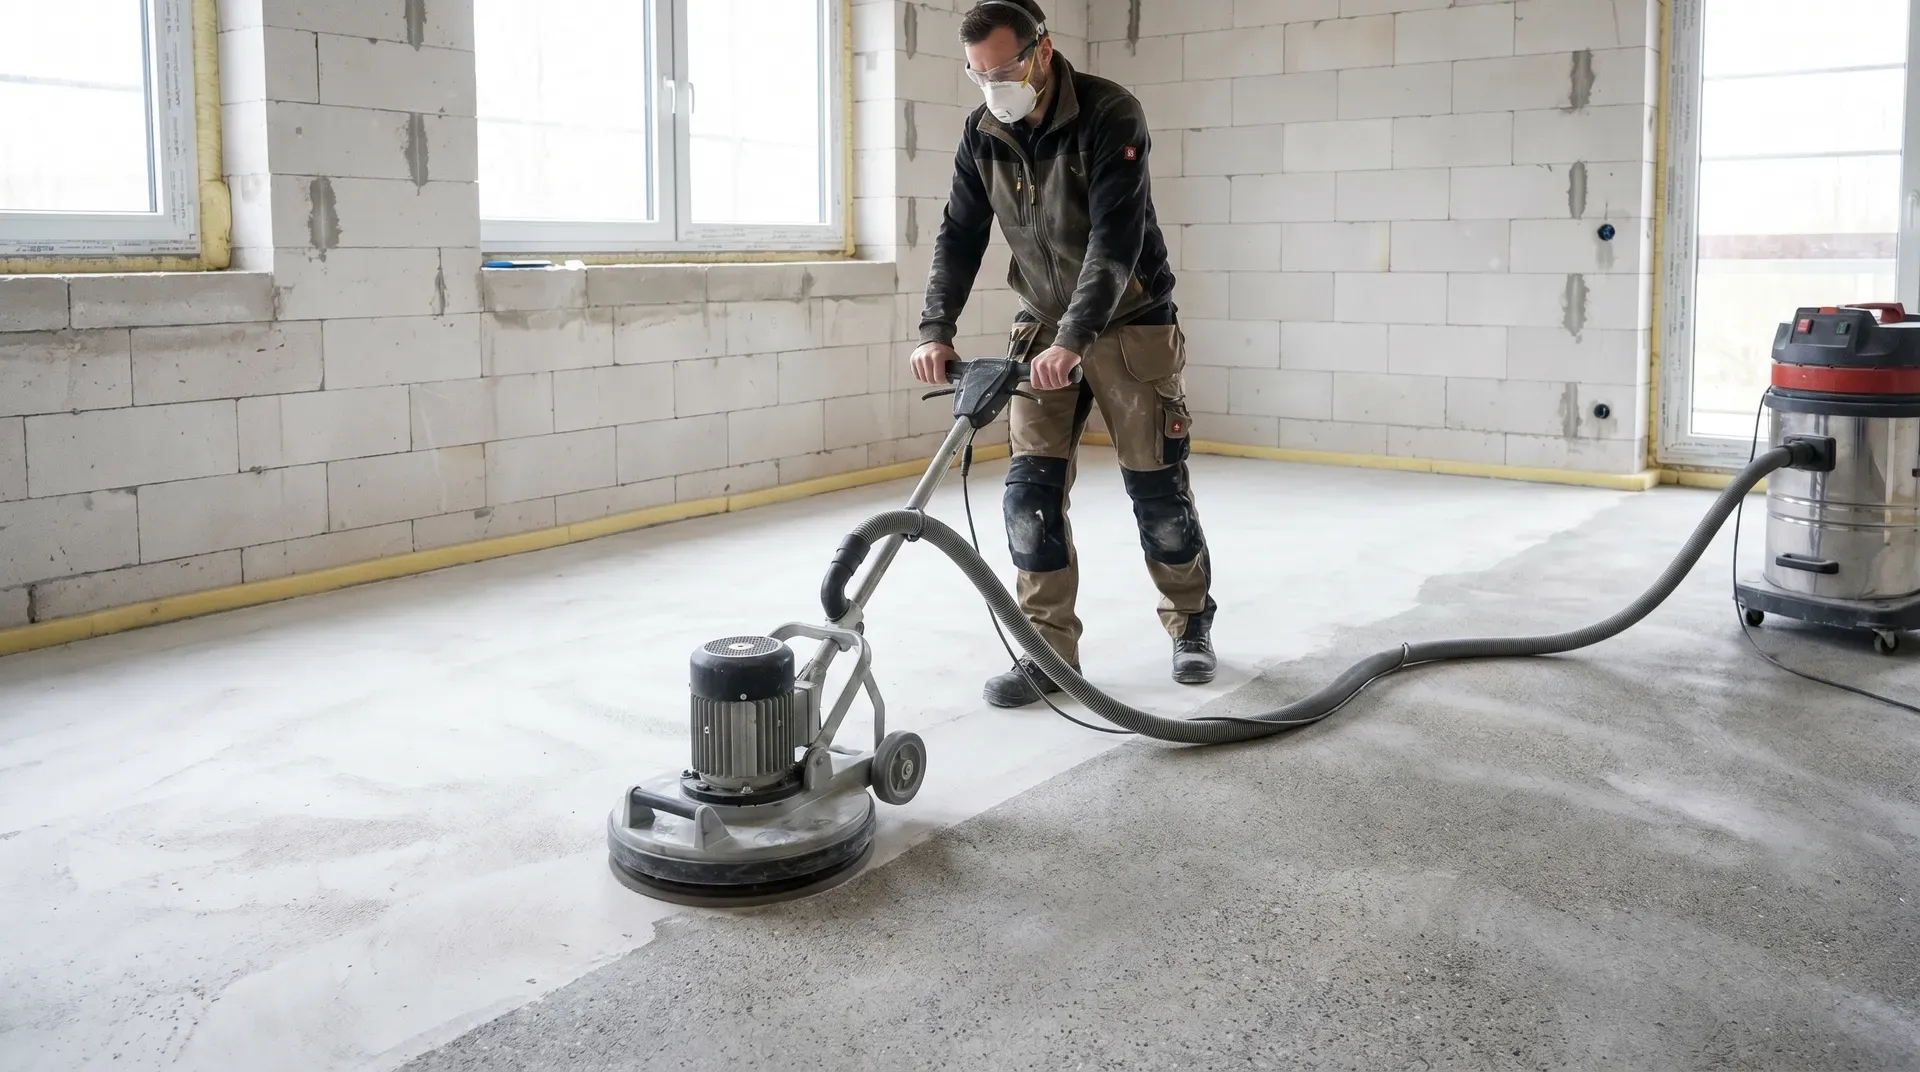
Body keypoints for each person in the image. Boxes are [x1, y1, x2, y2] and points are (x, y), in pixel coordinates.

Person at [910, 0, 1218, 708]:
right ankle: (1048, 651)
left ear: (1042, 51)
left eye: (1006, 67)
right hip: (1043, 327)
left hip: (1130, 323)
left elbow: (1117, 242)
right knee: (1029, 496)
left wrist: (1075, 341)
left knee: (1156, 489)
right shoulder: (982, 132)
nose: (994, 85)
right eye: (977, 73)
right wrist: (936, 328)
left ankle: (1190, 624)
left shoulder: (1110, 114)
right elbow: (959, 235)